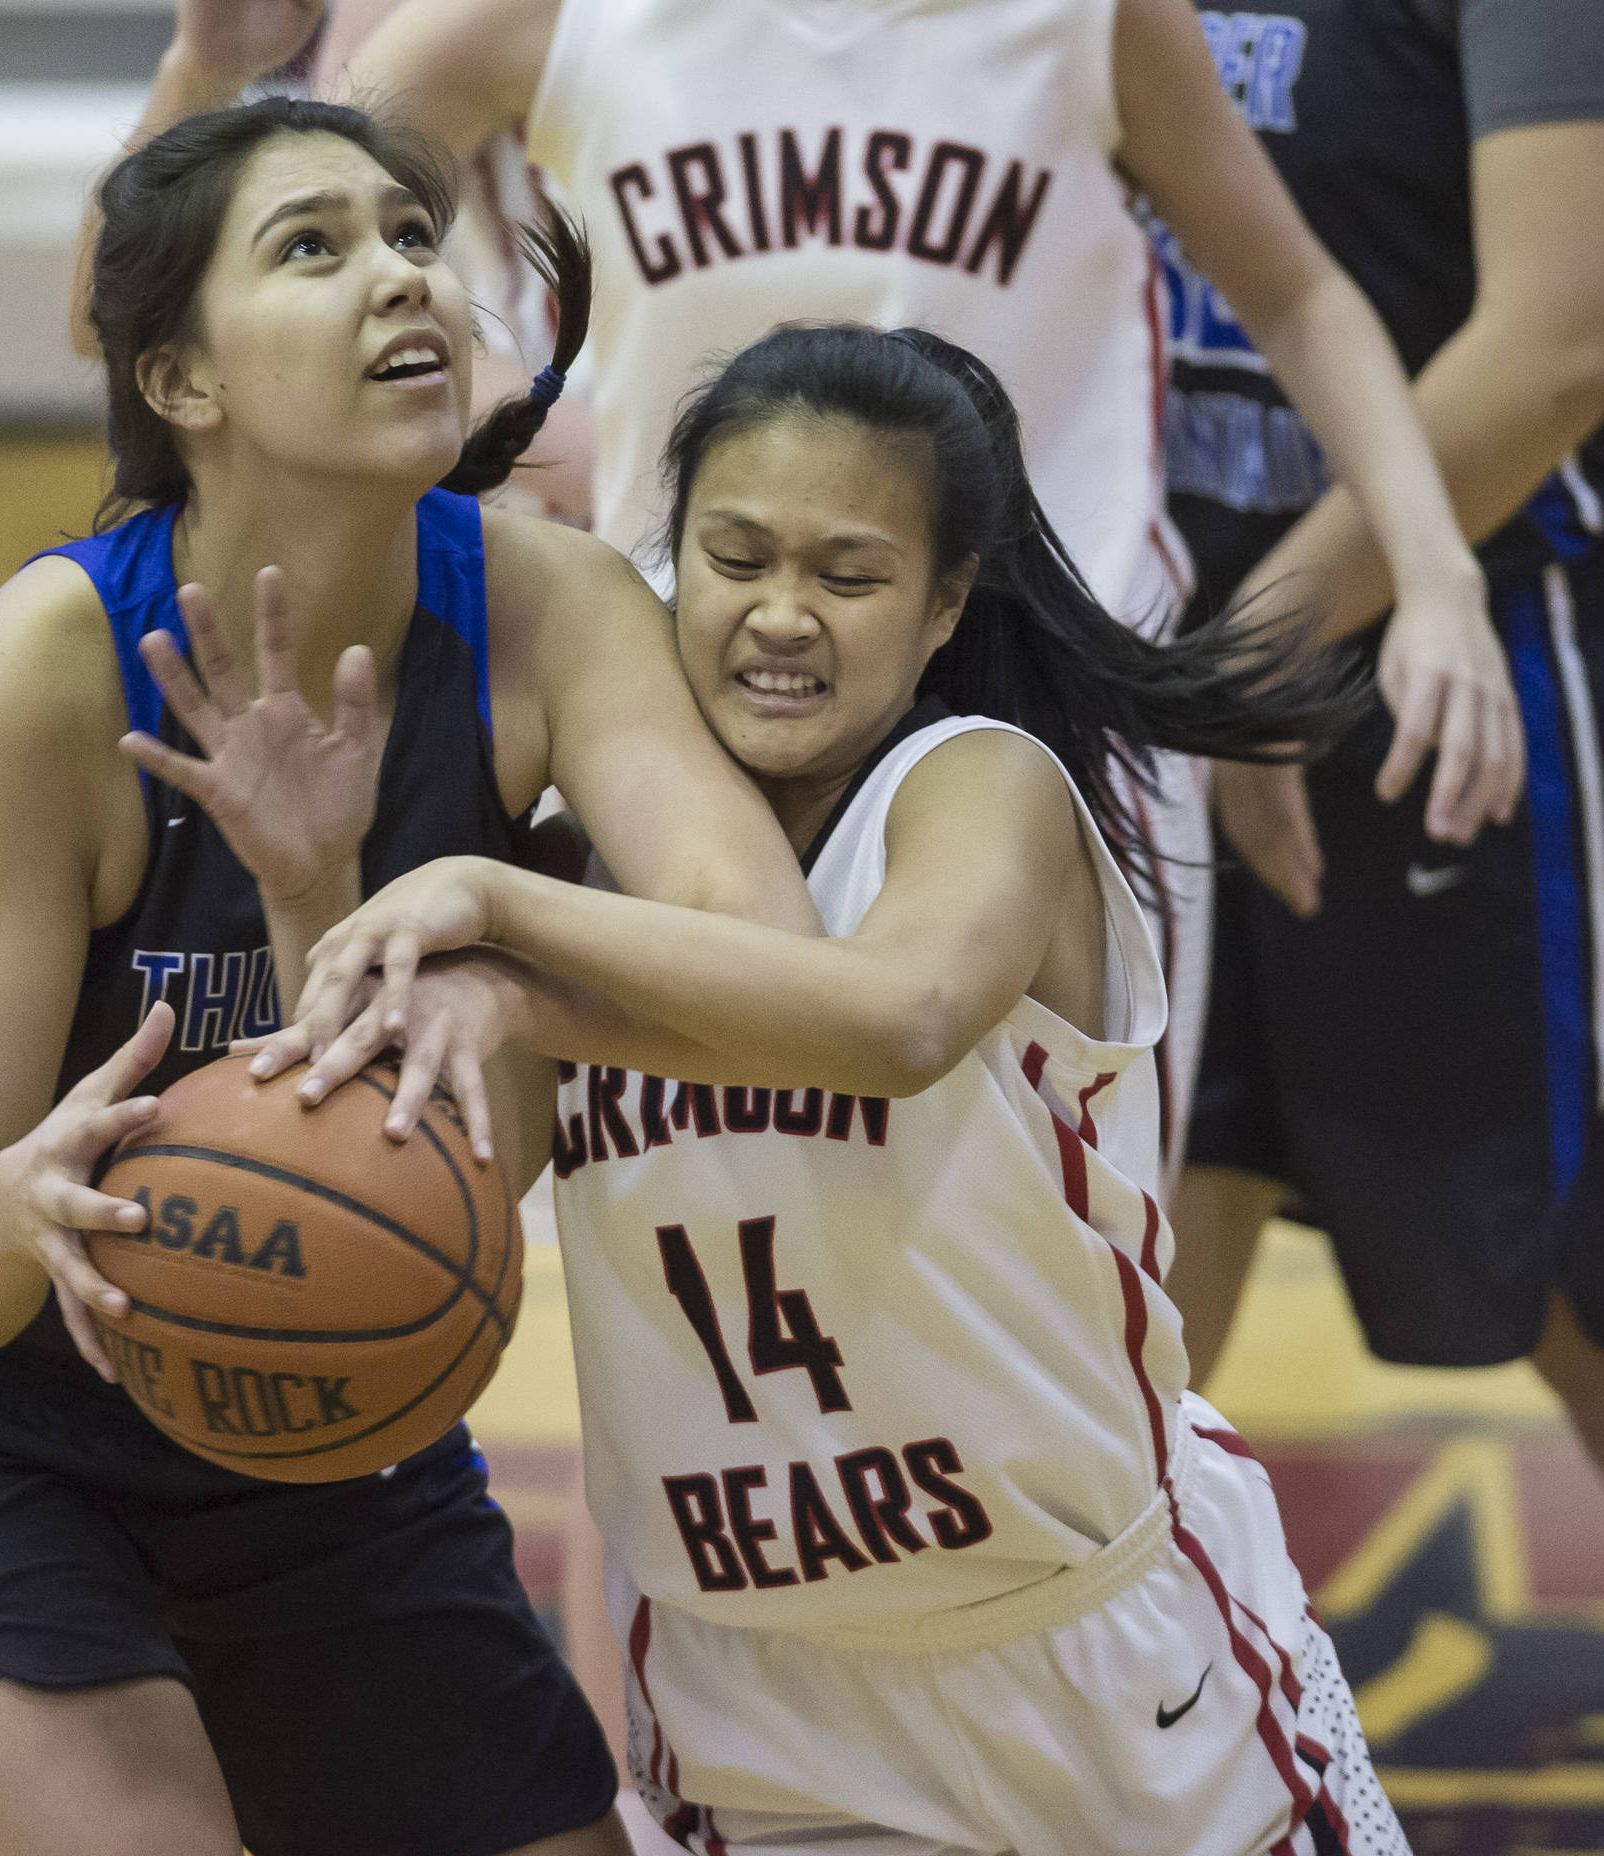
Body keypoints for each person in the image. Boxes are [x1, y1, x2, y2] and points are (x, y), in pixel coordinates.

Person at [251, 324, 1603, 1856]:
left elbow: (896, 1020)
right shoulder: (590, 868)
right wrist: (320, 891)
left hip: (1102, 1637)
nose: (782, 611)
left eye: (851, 570)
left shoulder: (978, 793)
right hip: (779, 1689)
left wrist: (498, 910)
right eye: (734, 556)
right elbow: (447, 1180)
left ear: (948, 604)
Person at [0, 94, 834, 1856]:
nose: (398, 269)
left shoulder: (549, 609)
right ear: (180, 378)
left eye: (410, 230)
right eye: (312, 247)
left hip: (305, 1416)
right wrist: (42, 1204)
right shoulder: (45, 675)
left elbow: (769, 969)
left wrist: (402, 913)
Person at [107, 0, 1521, 1188]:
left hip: (1033, 691)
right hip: (702, 699)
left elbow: (1296, 293)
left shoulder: (1087, 12)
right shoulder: (554, 11)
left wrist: (1439, 576)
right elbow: (190, 278)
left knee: (1076, 1247)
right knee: (689, 1273)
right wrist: (214, 77)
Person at [1153, 0, 1604, 1466]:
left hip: (1463, 666)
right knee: (1134, 1255)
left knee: (1560, 1281)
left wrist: (1265, 638)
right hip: (1142, 669)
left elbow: (1558, 346)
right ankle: (1100, 1694)